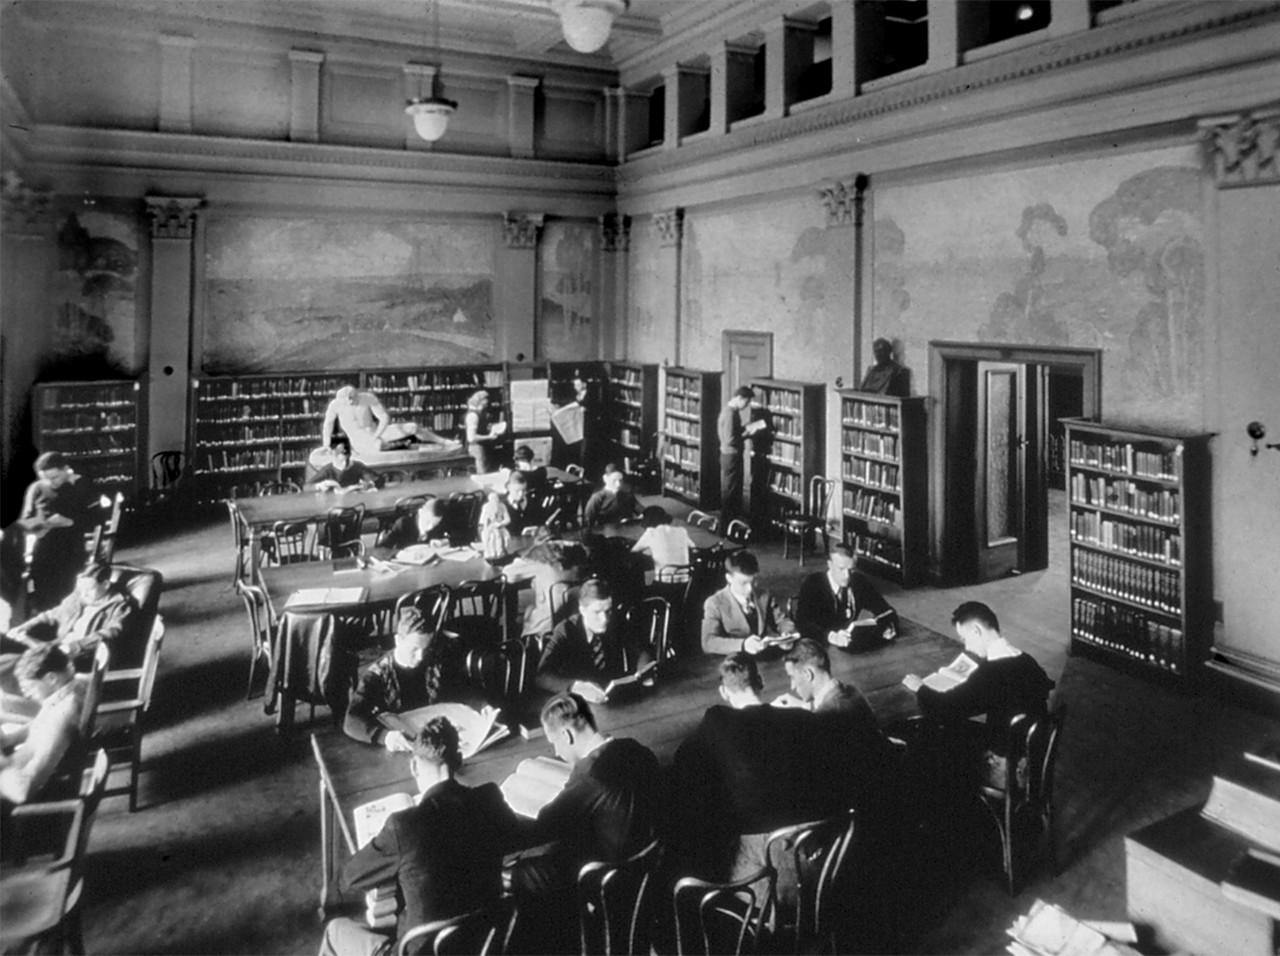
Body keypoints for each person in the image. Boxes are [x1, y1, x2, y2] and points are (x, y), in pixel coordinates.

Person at [318, 718, 518, 956]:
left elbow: (352, 877)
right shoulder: (490, 800)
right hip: (482, 944)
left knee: (335, 930)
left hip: (418, 952)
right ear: (460, 760)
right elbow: (516, 839)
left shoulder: (403, 826)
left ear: (414, 766)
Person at [668, 653, 834, 894]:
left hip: (767, 883)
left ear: (724, 692)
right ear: (760, 682)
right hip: (822, 866)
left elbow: (682, 767)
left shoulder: (716, 724)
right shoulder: (802, 719)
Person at [511, 693, 659, 952]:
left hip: (608, 881)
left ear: (567, 735)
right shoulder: (637, 749)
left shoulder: (590, 773)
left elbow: (546, 824)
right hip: (647, 869)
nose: (556, 752)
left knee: (526, 871)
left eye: (553, 743)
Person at [902, 601, 1055, 788]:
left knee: (933, 746)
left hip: (1008, 769)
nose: (966, 647)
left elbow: (943, 708)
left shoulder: (991, 673)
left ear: (976, 631)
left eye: (964, 638)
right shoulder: (1026, 660)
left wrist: (920, 687)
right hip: (1034, 756)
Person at [1, 563, 135, 680]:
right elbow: (54, 614)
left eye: (89, 590)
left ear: (105, 584)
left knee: (17, 665)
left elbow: (112, 632)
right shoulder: (81, 596)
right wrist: (25, 626)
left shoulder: (120, 605)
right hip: (55, 647)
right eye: (81, 590)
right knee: (4, 643)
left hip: (80, 656)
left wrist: (74, 647)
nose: (83, 595)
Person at [14, 452, 107, 612]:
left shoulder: (79, 486)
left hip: (71, 548)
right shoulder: (36, 488)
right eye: (45, 478)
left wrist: (71, 522)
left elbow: (96, 519)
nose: (50, 482)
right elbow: (24, 520)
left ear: (65, 470)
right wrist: (41, 526)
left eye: (55, 477)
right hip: (44, 547)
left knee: (68, 592)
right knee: (42, 589)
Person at [343, 608, 445, 751]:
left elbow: (462, 687)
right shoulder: (376, 675)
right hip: (401, 745)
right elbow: (351, 721)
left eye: (425, 648)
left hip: (431, 739)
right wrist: (385, 736)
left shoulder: (434, 660)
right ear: (398, 641)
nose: (421, 657)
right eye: (414, 649)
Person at [0, 644, 88, 805]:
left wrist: (4, 765)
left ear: (51, 678)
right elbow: (39, 729)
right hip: (22, 770)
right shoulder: (68, 691)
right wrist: (9, 740)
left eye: (30, 687)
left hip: (39, 798)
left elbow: (24, 790)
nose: (26, 693)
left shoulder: (63, 712)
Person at [534, 579, 650, 698]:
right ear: (582, 610)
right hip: (578, 701)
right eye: (597, 612)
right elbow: (541, 676)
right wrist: (575, 686)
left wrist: (643, 672)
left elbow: (642, 651)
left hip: (612, 698)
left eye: (608, 611)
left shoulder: (616, 621)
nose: (604, 619)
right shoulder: (566, 630)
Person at [795, 544, 898, 647]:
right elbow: (802, 623)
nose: (847, 576)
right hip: (821, 646)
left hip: (849, 645)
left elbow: (885, 610)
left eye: (851, 569)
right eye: (841, 569)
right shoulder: (813, 583)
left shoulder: (858, 581)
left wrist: (888, 626)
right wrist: (831, 636)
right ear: (829, 565)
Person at [701, 550, 796, 656]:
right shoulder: (715, 603)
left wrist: (787, 634)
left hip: (764, 658)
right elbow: (708, 642)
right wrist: (743, 645)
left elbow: (782, 620)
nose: (750, 589)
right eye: (743, 583)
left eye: (753, 581)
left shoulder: (763, 595)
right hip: (733, 661)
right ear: (729, 578)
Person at [321, 384, 436, 456]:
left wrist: (377, 434)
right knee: (377, 446)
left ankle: (441, 441)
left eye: (354, 399)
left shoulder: (367, 398)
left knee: (412, 427)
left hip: (376, 432)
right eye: (348, 401)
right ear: (341, 400)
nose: (351, 402)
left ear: (357, 395)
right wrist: (326, 443)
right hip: (359, 439)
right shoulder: (335, 405)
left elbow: (384, 417)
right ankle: (402, 445)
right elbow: (328, 424)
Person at [717, 387, 765, 531]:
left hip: (727, 455)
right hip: (731, 455)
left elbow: (731, 433)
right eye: (747, 401)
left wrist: (745, 428)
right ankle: (727, 528)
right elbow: (731, 439)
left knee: (730, 490)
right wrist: (748, 433)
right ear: (740, 398)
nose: (747, 405)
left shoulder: (728, 411)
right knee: (731, 492)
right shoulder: (731, 414)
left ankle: (729, 526)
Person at [630, 505, 695, 579]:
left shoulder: (651, 532)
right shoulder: (681, 531)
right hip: (685, 583)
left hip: (662, 585)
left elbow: (633, 551)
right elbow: (694, 548)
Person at [582, 463, 640, 528]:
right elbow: (589, 521)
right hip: (605, 534)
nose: (618, 484)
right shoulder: (597, 497)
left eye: (620, 481)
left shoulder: (627, 496)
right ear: (605, 478)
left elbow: (642, 512)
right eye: (614, 480)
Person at [311, 436, 376, 493]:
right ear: (332, 453)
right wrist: (319, 486)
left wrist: (369, 483)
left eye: (347, 453)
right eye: (340, 453)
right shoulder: (327, 470)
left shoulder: (357, 466)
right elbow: (307, 486)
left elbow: (374, 479)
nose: (345, 457)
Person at [463, 390, 506, 474]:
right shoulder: (473, 415)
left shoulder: (478, 414)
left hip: (483, 448)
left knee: (487, 471)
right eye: (484, 405)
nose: (485, 407)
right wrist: (489, 437)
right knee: (483, 473)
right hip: (477, 449)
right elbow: (471, 438)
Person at [382, 498, 448, 552]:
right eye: (427, 522)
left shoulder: (440, 523)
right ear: (420, 512)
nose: (430, 527)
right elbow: (382, 547)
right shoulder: (403, 524)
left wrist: (444, 541)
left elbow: (456, 536)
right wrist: (398, 553)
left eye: (435, 524)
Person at [478, 490, 510, 561]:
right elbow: (482, 521)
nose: (494, 501)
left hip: (500, 526)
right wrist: (486, 526)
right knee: (489, 538)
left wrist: (500, 524)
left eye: (495, 499)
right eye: (492, 499)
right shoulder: (486, 507)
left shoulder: (502, 506)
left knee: (501, 537)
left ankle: (500, 553)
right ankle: (490, 553)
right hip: (489, 527)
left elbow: (507, 519)